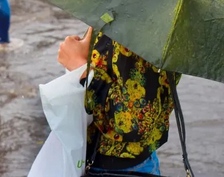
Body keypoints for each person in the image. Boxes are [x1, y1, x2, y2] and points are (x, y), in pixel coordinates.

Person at [58, 27, 179, 175]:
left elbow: (134, 123)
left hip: (118, 167)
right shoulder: (128, 15)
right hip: (112, 160)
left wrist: (80, 68)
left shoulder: (143, 27)